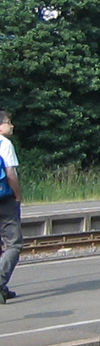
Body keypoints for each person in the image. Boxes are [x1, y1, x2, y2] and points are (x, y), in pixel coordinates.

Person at [0, 111, 21, 303]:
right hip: (3, 200)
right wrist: (18, 195)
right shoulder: (4, 144)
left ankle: (2, 289)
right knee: (14, 244)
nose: (12, 126)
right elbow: (10, 173)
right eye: (8, 122)